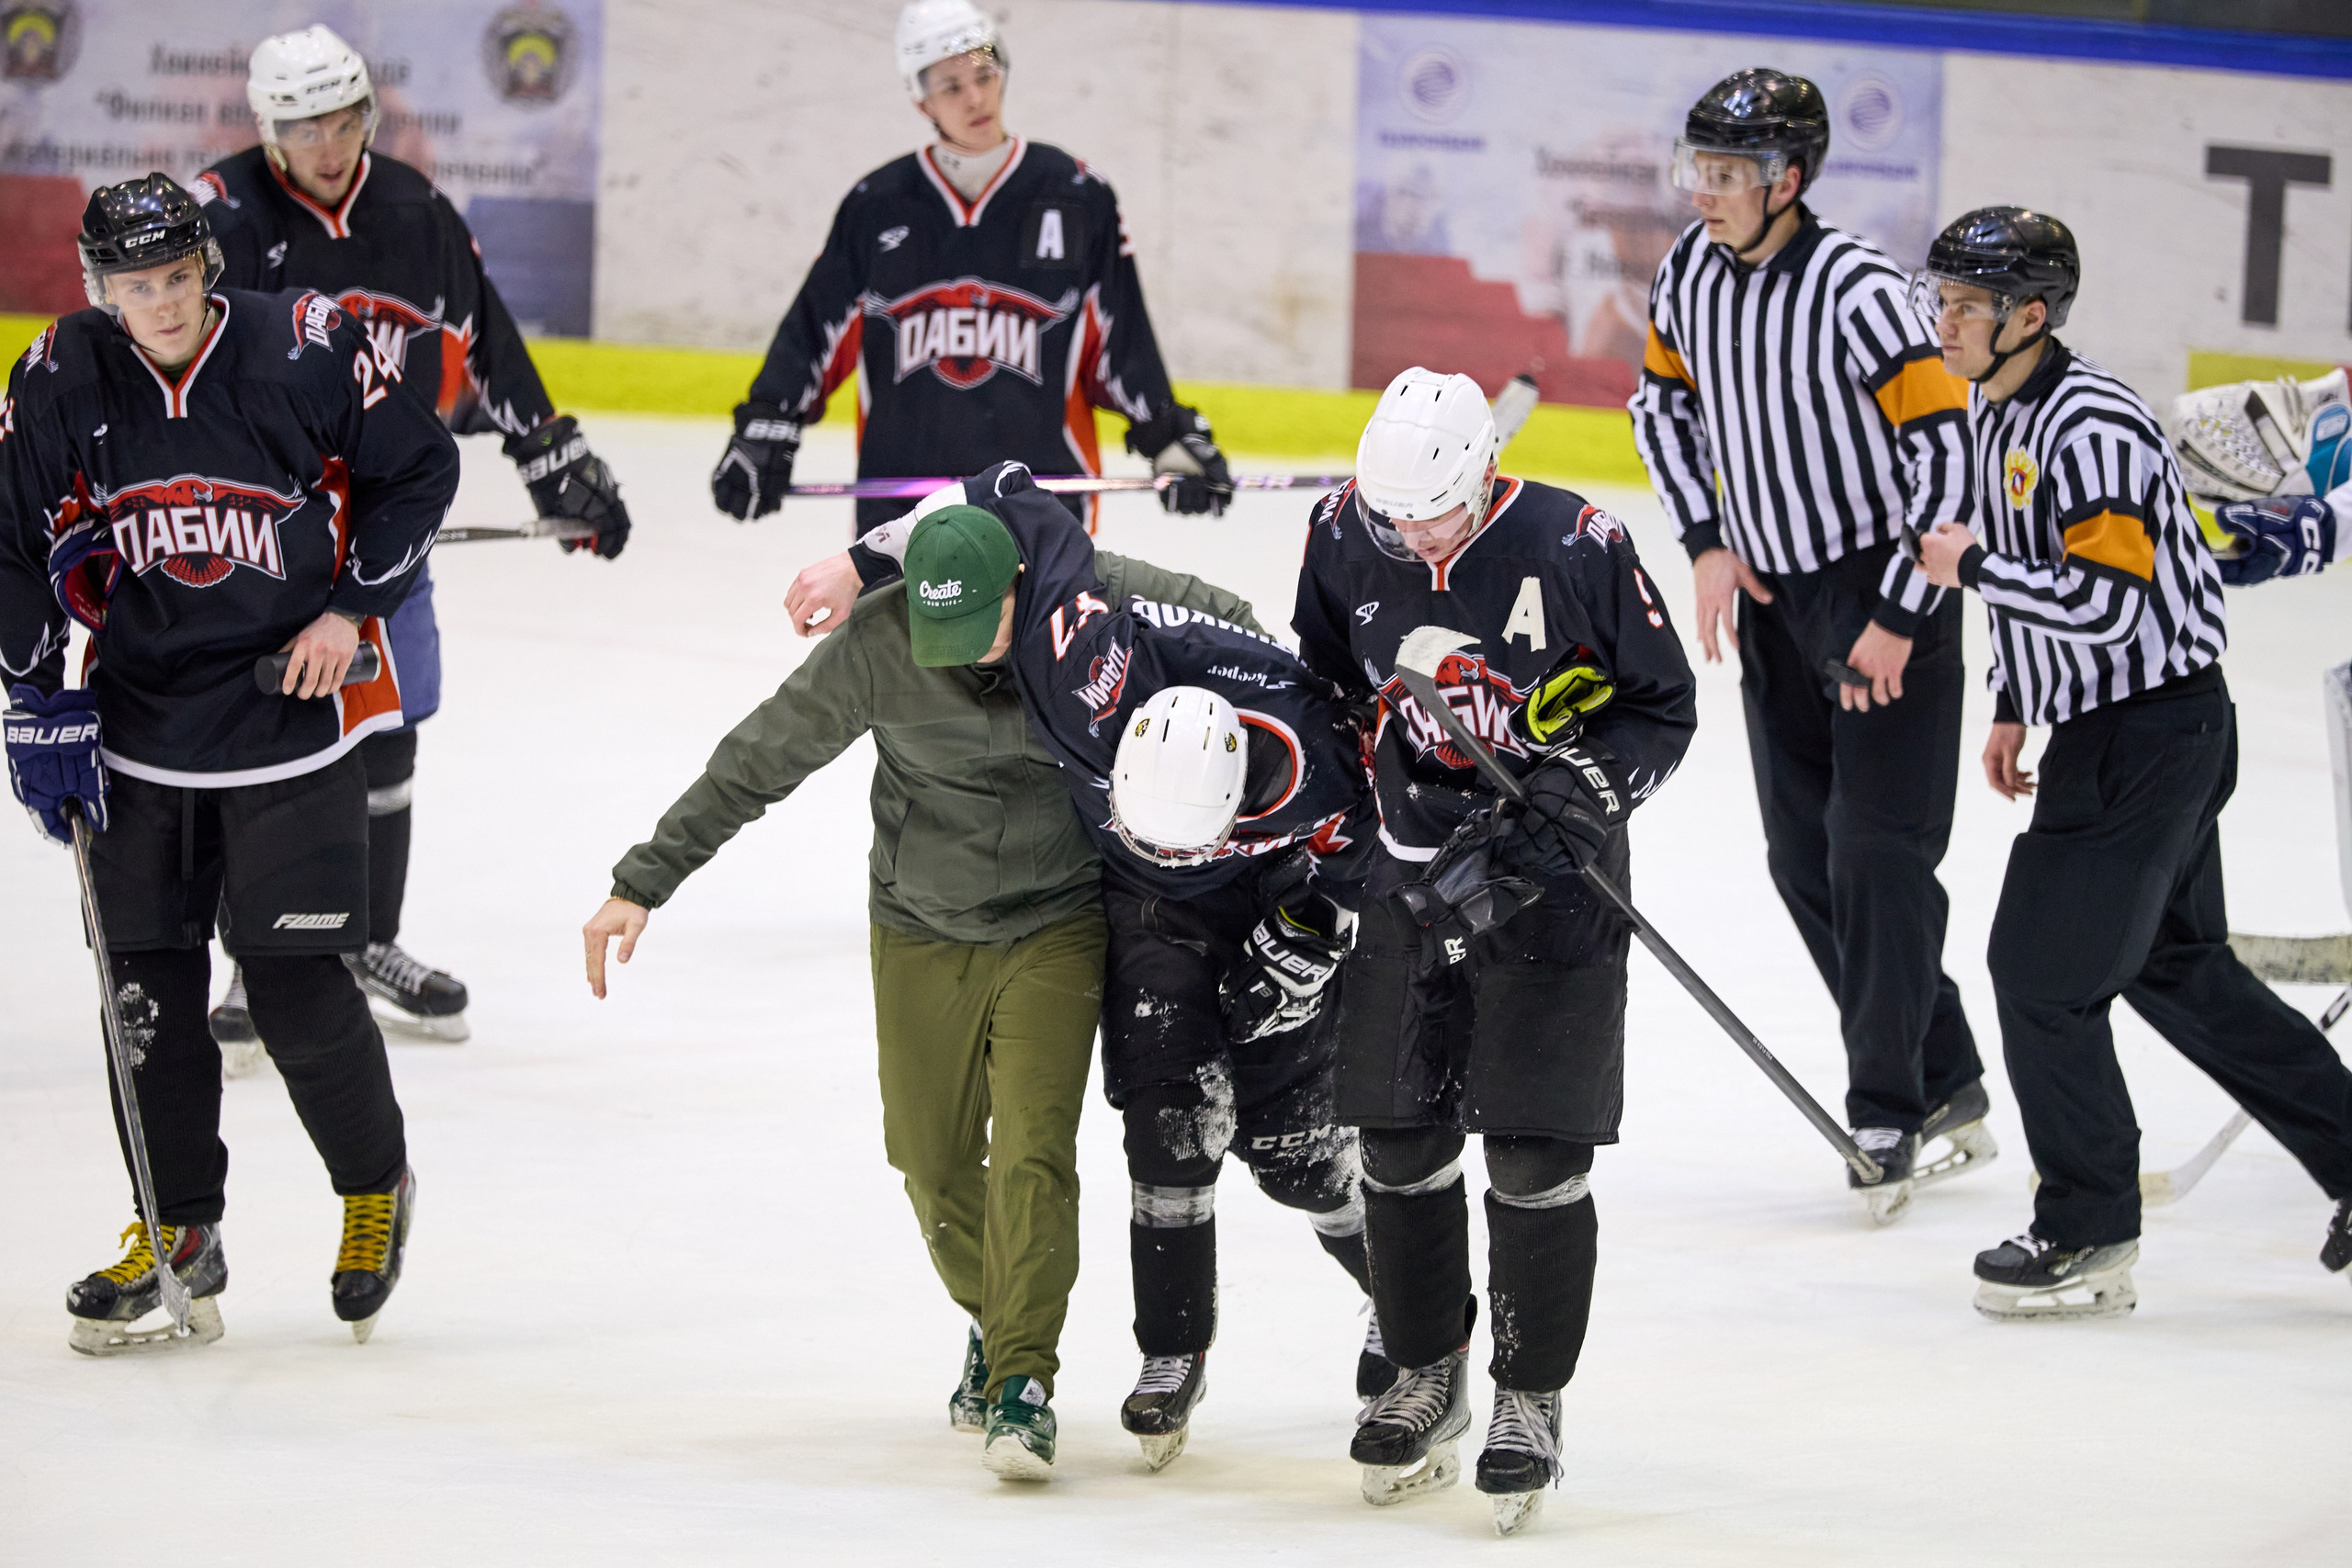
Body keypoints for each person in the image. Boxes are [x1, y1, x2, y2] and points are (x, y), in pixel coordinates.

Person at [580, 466, 1260, 1483]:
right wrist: (643, 881)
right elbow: (753, 762)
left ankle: (1022, 1383)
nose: (968, 655)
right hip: (920, 920)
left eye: (986, 630)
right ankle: (997, 1319)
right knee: (930, 1162)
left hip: (1058, 919)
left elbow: (1241, 630)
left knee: (1034, 1149)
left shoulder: (1099, 598)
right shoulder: (883, 640)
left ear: (1023, 582)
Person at [822, 475, 1382, 1469]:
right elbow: (1001, 491)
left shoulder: (1312, 761)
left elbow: (1382, 864)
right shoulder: (1084, 661)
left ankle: (1409, 1306)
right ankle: (1172, 1353)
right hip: (1144, 903)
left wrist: (1306, 931)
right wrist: (867, 558)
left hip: (1262, 889)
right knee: (1164, 1121)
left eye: (1185, 835)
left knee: (1293, 1152)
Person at [0, 176, 454, 1353]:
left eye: (173, 279)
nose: (156, 306)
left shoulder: (303, 345)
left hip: (288, 713)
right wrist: (38, 694)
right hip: (140, 723)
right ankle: (178, 1229)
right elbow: (6, 536)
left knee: (297, 986)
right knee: (143, 998)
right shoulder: (60, 374)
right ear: (101, 290)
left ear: (208, 265)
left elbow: (420, 468)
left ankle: (372, 1188)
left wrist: (352, 610)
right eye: (129, 287)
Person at [1912, 207, 2352, 1318]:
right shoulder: (1995, 402)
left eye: (1967, 304)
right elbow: (2035, 566)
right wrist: (2015, 700)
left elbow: (2106, 605)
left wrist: (1966, 572)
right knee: (2178, 973)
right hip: (2136, 729)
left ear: (2030, 315)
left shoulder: (2092, 425)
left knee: (2041, 977)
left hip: (2145, 733)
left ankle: (2085, 1223)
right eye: (1943, 297)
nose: (1945, 320)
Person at [1294, 368, 1696, 1532]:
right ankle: (1427, 1369)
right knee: (1397, 1131)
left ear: (1479, 476)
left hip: (1550, 881)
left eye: (1432, 513)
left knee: (1530, 1151)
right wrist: (1344, 803)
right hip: (1408, 867)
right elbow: (1322, 681)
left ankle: (1529, 1396)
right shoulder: (1339, 530)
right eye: (1392, 517)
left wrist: (1580, 791)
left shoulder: (1580, 541)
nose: (1409, 535)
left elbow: (1660, 709)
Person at [195, 24, 633, 1056]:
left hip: (389, 523)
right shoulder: (221, 215)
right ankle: (262, 961)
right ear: (269, 129)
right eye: (304, 125)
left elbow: (485, 336)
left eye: (346, 118)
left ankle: (366, 941)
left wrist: (551, 459)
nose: (331, 142)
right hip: (263, 536)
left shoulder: (414, 210)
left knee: (389, 736)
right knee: (267, 746)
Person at [1627, 67, 1992, 1224]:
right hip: (1779, 605)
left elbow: (1946, 455)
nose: (1706, 192)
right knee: (1803, 860)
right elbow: (1659, 407)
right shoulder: (1689, 274)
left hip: (1881, 598)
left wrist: (1894, 616)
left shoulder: (1859, 289)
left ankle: (1885, 1105)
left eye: (1728, 173)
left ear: (1789, 179)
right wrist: (1705, 543)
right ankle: (1948, 1074)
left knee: (1874, 856)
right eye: (1699, 168)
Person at [709, 0, 1232, 538]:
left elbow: (1120, 340)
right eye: (951, 86)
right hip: (901, 520)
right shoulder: (876, 206)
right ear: (921, 100)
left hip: (1042, 516)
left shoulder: (1076, 196)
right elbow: (815, 330)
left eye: (984, 74)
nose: (976, 98)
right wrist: (768, 424)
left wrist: (1167, 433)